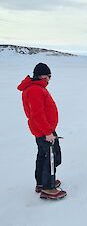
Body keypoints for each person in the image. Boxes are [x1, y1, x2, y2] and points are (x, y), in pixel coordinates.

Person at [17, 63, 67, 200]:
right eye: (49, 76)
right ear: (42, 75)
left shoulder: (35, 88)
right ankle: (48, 187)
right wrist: (47, 132)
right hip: (45, 130)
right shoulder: (35, 90)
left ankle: (41, 182)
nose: (49, 79)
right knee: (52, 156)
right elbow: (37, 114)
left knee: (43, 155)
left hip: (43, 129)